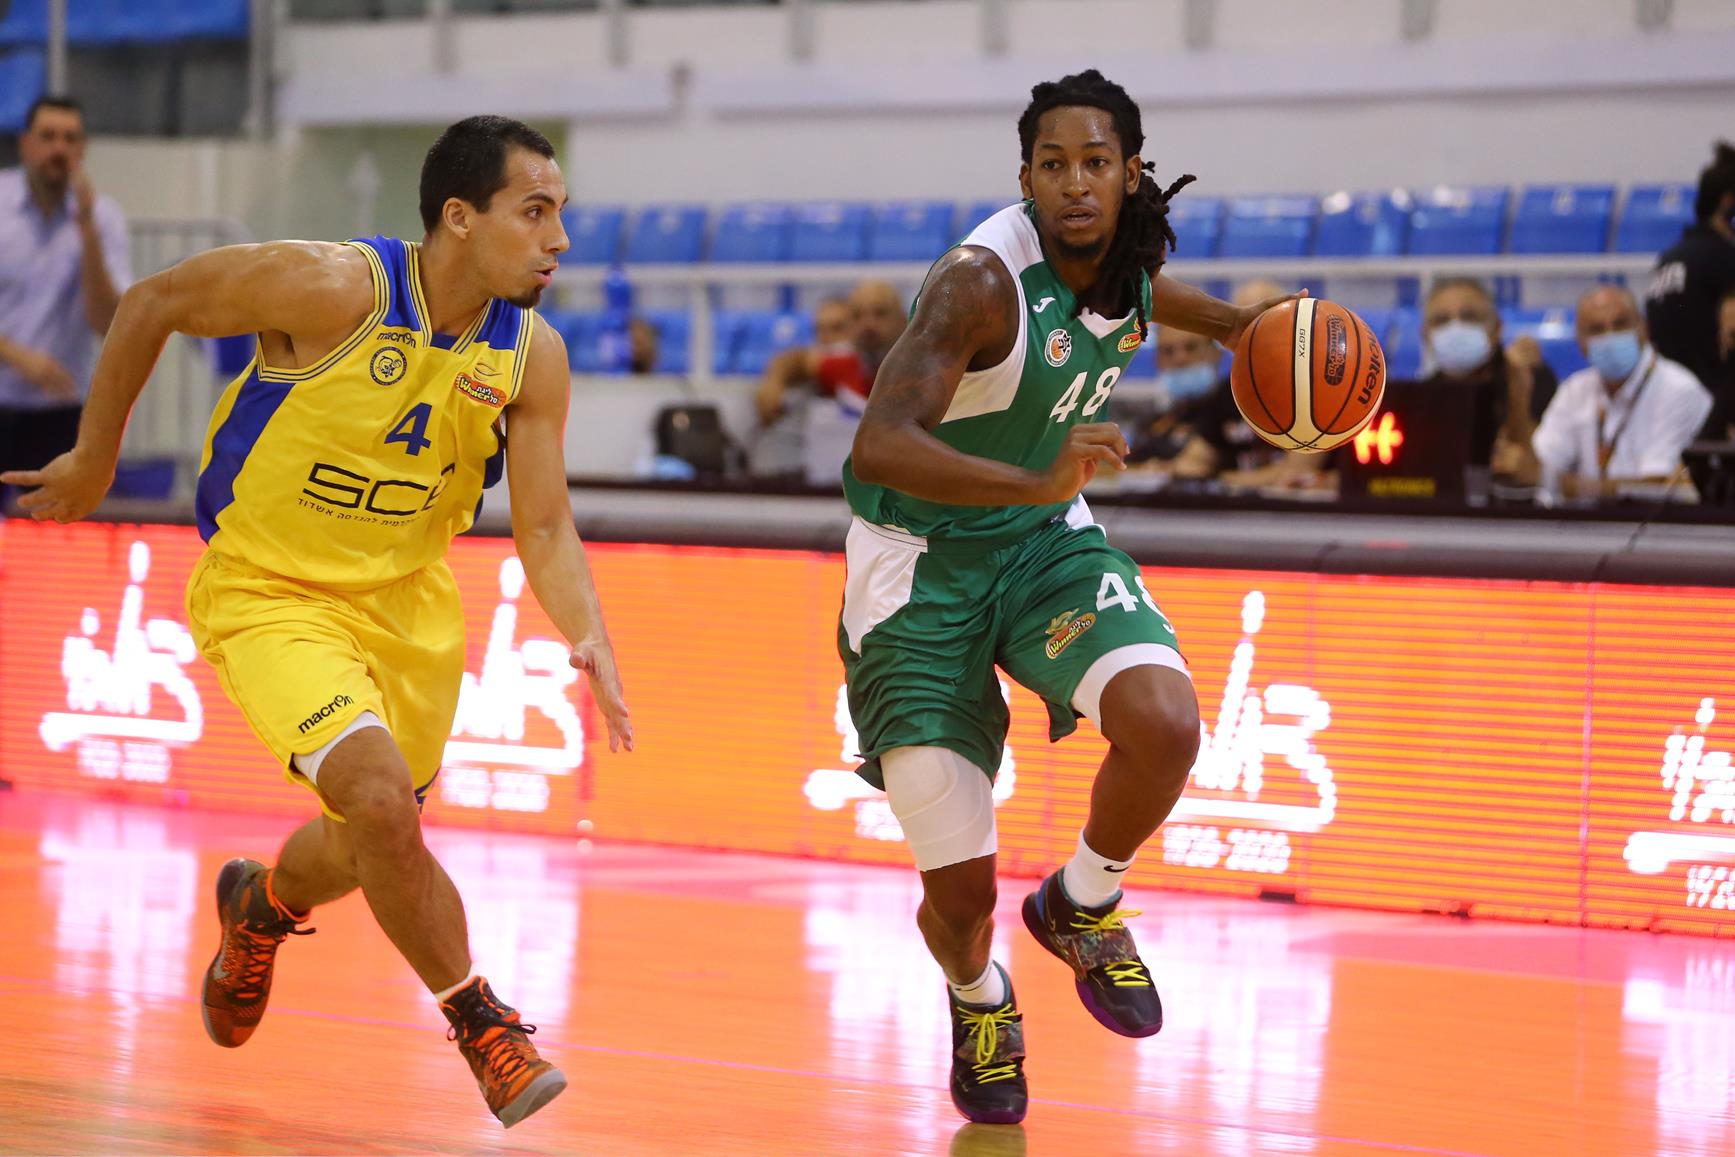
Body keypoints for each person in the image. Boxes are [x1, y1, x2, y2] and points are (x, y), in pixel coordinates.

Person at [1, 116, 633, 1129]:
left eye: (560, 212)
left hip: (408, 607)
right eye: (535, 211)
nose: (558, 237)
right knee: (380, 803)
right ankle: (482, 1021)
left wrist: (586, 630)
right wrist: (94, 457)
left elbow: (546, 523)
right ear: (459, 218)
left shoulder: (531, 354)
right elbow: (155, 300)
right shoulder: (335, 288)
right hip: (271, 590)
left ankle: (262, 904)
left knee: (368, 834)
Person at [840, 70, 1290, 1124]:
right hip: (918, 570)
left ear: (1131, 174)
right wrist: (1036, 480)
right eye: (1053, 165)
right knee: (960, 897)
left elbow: (1145, 293)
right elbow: (880, 443)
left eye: (1095, 163)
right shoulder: (978, 282)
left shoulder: (1125, 255)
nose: (1075, 184)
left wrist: (1237, 325)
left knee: (1165, 721)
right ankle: (977, 995)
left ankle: (1081, 901)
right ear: (1026, 179)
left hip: (1042, 544)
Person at [0, 96, 130, 503]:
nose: (59, 148)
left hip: (61, 410)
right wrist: (19, 357)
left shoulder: (102, 218)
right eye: (48, 136)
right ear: (26, 144)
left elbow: (106, 322)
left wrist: (86, 228)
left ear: (83, 148)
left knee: (53, 528)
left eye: (70, 138)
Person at [1523, 285, 1711, 505]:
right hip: (1590, 524)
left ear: (1644, 328)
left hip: (1655, 524)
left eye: (1620, 324)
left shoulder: (1679, 390)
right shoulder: (1575, 390)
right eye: (1597, 329)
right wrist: (1519, 388)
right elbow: (1536, 466)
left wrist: (1567, 485)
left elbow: (1656, 488)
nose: (1610, 336)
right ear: (1580, 342)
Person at [1417, 277, 1557, 489]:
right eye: (1441, 320)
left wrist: (1517, 388)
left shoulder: (1531, 376)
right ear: (1425, 335)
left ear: (1497, 328)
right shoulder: (1421, 398)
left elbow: (1537, 465)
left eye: (1469, 317)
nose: (1456, 328)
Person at [1646, 141, 1735, 437]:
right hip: (1713, 416)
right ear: (1728, 202)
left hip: (1665, 410)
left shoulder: (1668, 259)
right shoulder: (1725, 260)